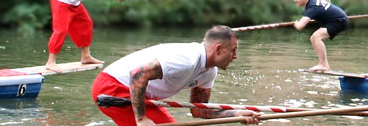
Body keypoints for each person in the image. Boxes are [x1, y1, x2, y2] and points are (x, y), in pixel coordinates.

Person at [91, 25, 260, 126]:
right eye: (233, 50)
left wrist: (236, 114)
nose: (235, 56)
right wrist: (141, 119)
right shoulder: (187, 59)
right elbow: (137, 74)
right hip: (112, 87)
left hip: (137, 93)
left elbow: (199, 110)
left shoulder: (209, 71)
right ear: (218, 49)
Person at [291, 0, 349, 72]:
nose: (295, 0)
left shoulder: (312, 8)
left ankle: (322, 65)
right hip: (339, 19)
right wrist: (325, 12)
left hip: (339, 21)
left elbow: (300, 26)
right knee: (313, 38)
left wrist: (296, 23)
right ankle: (326, 66)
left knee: (316, 37)